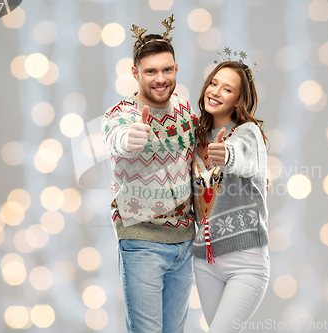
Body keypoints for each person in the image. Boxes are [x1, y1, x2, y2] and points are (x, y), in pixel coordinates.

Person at [100, 14, 198, 333]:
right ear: (135, 73)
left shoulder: (185, 109)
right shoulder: (122, 114)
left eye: (166, 69)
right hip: (141, 242)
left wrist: (247, 171)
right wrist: (129, 139)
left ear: (176, 69)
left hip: (185, 242)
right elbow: (115, 136)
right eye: (151, 71)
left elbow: (202, 155)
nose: (160, 79)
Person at [191, 57, 270, 332]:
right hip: (204, 260)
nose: (215, 91)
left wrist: (225, 154)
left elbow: (242, 156)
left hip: (245, 260)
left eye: (227, 89)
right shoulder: (196, 138)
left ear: (238, 100)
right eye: (213, 83)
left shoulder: (248, 134)